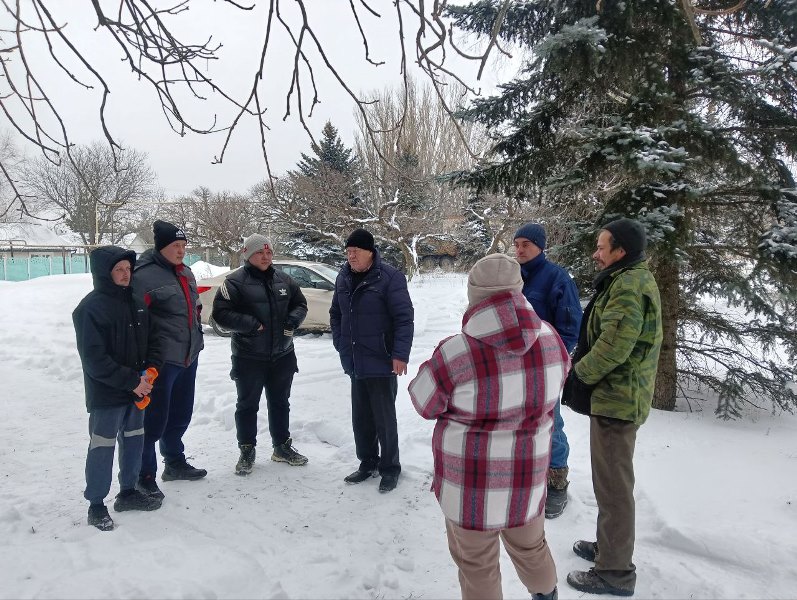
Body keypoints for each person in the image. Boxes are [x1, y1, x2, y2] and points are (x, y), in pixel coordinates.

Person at [409, 253, 569, 600]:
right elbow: (558, 383)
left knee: (477, 563)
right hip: (527, 478)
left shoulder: (456, 352)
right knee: (532, 548)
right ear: (518, 291)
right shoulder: (551, 340)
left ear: (474, 297)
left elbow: (424, 403)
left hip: (471, 486)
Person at [563, 218, 663, 597]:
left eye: (602, 247)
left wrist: (577, 374)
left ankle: (615, 572)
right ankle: (608, 549)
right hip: (615, 398)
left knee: (614, 488)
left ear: (621, 251)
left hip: (618, 401)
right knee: (609, 484)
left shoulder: (629, 285)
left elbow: (614, 346)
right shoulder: (628, 278)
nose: (596, 253)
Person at [73, 246, 163, 531]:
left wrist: (149, 373)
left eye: (128, 269)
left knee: (134, 440)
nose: (125, 275)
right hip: (107, 395)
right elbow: (94, 360)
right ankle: (96, 504)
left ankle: (127, 492)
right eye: (119, 270)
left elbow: (154, 341)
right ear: (104, 273)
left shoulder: (136, 302)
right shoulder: (89, 309)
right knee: (102, 446)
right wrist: (132, 381)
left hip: (138, 391)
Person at [211, 234, 309, 474]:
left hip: (283, 354)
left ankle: (281, 447)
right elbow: (220, 315)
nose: (265, 257)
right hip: (249, 357)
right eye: (259, 253)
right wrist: (250, 324)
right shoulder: (233, 283)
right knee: (247, 405)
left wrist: (294, 319)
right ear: (247, 254)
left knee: (280, 403)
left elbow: (301, 304)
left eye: (268, 252)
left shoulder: (284, 280)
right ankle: (246, 450)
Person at [330, 228, 414, 493]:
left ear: (370, 251)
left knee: (384, 418)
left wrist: (400, 354)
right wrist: (340, 342)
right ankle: (367, 463)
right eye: (348, 251)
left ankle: (390, 468)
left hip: (382, 359)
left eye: (355, 251)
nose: (351, 256)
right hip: (355, 359)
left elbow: (403, 318)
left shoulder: (389, 277)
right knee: (361, 418)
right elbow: (335, 314)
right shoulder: (343, 278)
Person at [513, 223, 583, 518]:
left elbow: (571, 328)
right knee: (518, 423)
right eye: (516, 244)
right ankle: (527, 474)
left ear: (541, 246)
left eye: (526, 244)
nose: (519, 249)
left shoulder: (556, 278)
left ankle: (556, 483)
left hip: (546, 367)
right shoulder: (512, 277)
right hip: (514, 367)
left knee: (550, 423)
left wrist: (555, 360)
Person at [133, 220, 206, 499]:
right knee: (152, 421)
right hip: (160, 361)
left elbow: (194, 310)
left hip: (188, 356)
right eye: (175, 246)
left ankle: (174, 462)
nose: (181, 250)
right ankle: (144, 475)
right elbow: (136, 322)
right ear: (161, 247)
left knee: (180, 415)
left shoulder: (186, 272)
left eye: (184, 245)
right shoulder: (143, 275)